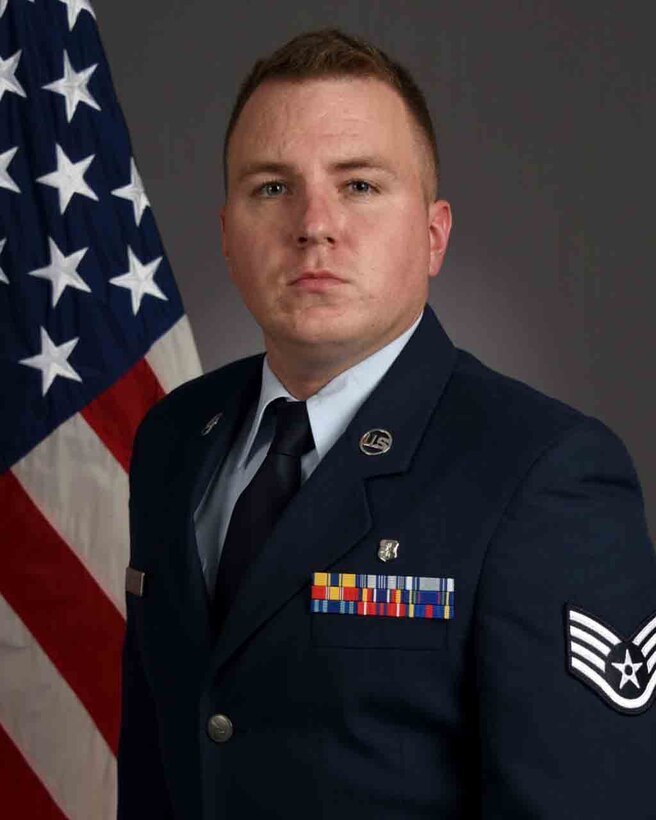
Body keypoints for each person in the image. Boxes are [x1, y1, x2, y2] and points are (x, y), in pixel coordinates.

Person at [117, 27, 656, 819]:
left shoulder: (544, 474)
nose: (314, 225)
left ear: (433, 235)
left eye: (360, 185)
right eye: (272, 187)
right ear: (228, 236)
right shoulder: (173, 439)